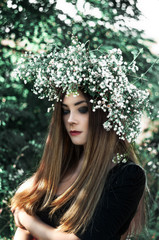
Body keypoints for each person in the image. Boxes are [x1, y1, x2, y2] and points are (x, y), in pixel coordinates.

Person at [11, 36, 150, 240]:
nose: (71, 120)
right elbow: (21, 229)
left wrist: (27, 220)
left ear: (104, 113)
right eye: (66, 111)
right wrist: (25, 221)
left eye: (82, 110)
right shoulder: (61, 166)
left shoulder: (127, 176)